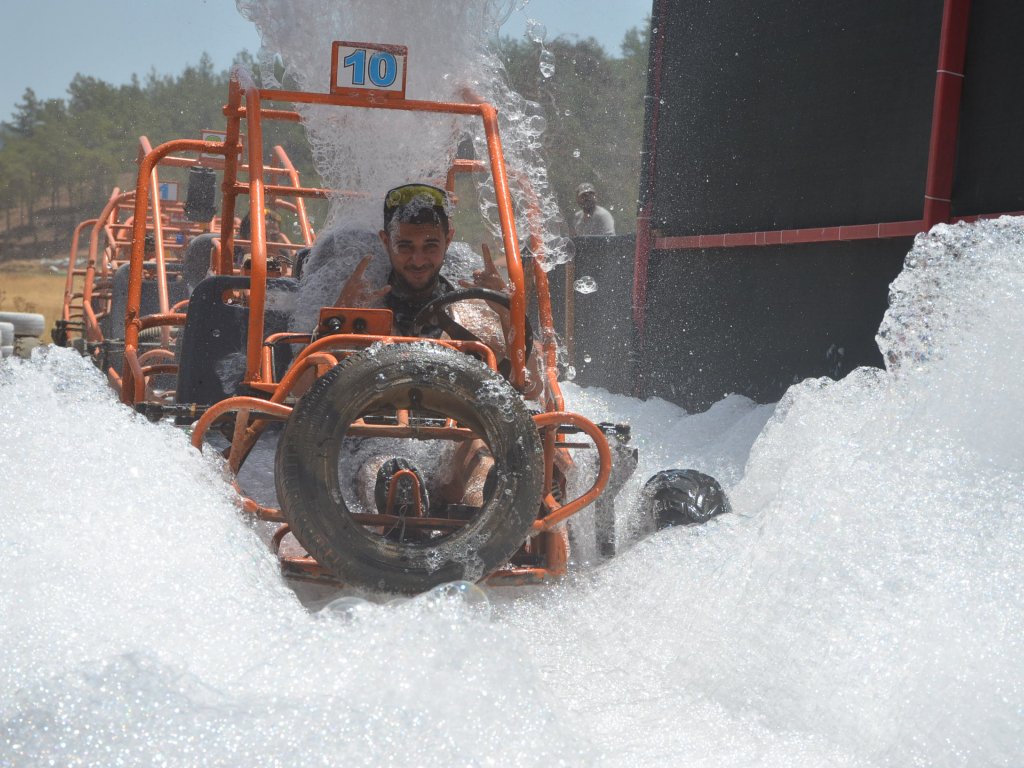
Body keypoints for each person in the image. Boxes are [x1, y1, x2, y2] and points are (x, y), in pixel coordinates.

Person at [334, 182, 543, 508]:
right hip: (379, 440)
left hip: (453, 442)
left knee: (482, 458)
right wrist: (340, 318)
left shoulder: (472, 311)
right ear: (386, 242)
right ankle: (401, 509)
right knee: (383, 469)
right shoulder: (364, 307)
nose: (418, 259)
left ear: (449, 240)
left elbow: (529, 387)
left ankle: (486, 514)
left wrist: (506, 313)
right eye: (405, 246)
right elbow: (306, 392)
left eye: (430, 245)